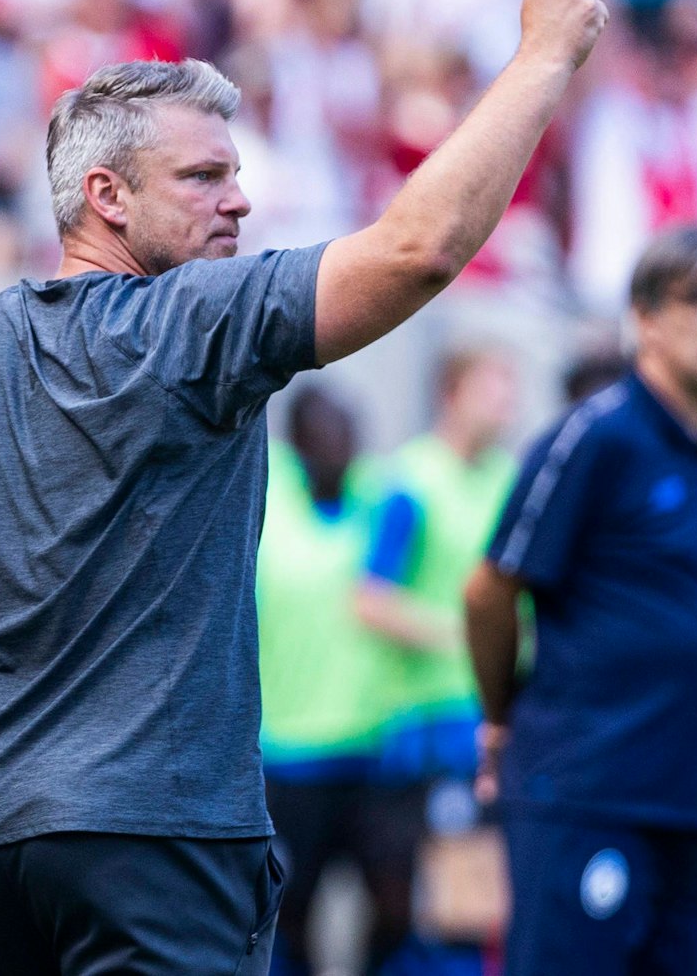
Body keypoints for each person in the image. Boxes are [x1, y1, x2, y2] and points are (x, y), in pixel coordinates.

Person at [0, 0, 607, 976]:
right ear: (106, 197)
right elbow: (419, 249)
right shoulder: (198, 319)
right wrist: (543, 57)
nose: (239, 198)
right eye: (203, 176)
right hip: (154, 833)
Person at [464, 227, 697, 975]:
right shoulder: (597, 437)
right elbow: (489, 592)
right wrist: (500, 719)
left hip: (692, 802)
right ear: (646, 316)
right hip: (588, 792)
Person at [355, 349, 520, 966]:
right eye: (493, 388)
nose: (507, 404)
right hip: (425, 724)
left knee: (484, 902)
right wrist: (465, 633)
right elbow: (369, 599)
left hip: (494, 719)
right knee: (432, 900)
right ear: (451, 393)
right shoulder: (410, 481)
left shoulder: (510, 479)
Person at [255, 386, 409, 976]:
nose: (342, 445)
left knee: (396, 905)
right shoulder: (268, 501)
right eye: (327, 433)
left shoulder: (382, 495)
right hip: (291, 754)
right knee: (291, 917)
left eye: (349, 431)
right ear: (297, 444)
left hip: (375, 750)